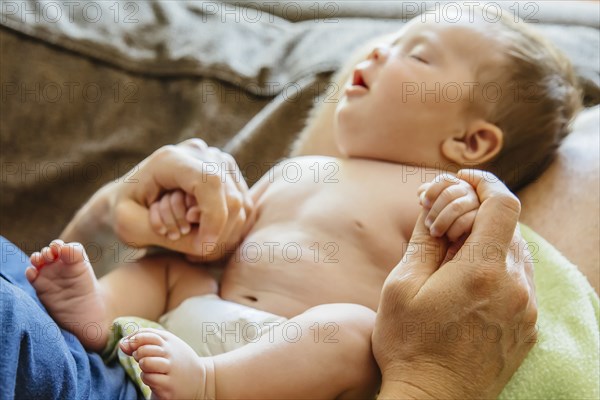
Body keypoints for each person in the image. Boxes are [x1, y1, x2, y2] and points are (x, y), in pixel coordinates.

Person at [24, 8, 578, 400]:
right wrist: (189, 225)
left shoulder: (428, 191)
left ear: (470, 144)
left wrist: (464, 207)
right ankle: (97, 314)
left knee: (351, 331)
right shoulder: (297, 170)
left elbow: (469, 286)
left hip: (285, 359)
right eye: (389, 38)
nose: (377, 51)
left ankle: (212, 386)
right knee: (165, 268)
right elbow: (218, 245)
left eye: (419, 55)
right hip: (190, 321)